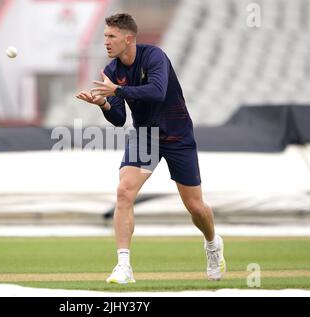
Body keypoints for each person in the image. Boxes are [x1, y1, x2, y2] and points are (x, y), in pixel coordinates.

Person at [76, 13, 226, 284]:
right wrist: (103, 104)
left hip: (178, 136)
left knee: (195, 206)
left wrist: (117, 93)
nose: (106, 42)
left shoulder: (154, 56)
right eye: (105, 36)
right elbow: (120, 119)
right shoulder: (112, 71)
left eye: (111, 36)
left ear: (128, 38)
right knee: (124, 192)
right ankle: (124, 266)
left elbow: (157, 91)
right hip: (146, 135)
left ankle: (213, 244)